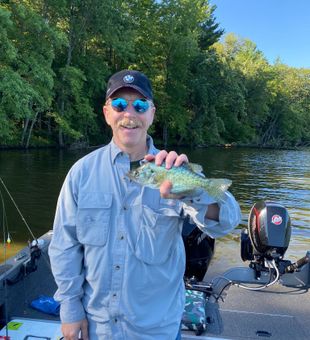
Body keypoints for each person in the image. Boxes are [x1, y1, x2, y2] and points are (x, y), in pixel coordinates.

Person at [49, 70, 241, 340]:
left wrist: (192, 191)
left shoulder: (173, 169)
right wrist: (70, 308)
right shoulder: (81, 173)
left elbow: (228, 222)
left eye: (139, 105)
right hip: (97, 327)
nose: (129, 114)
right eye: (119, 105)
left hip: (156, 329)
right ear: (106, 113)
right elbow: (64, 245)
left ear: (151, 113)